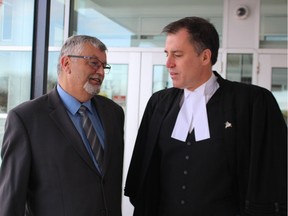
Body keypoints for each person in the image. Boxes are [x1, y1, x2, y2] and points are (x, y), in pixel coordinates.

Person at [124, 17, 287, 216]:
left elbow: (271, 174)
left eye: (177, 55)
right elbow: (143, 171)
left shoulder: (252, 102)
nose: (168, 63)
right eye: (167, 54)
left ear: (205, 57)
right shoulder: (159, 103)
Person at [0, 35, 125, 216]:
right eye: (94, 63)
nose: (101, 72)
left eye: (104, 66)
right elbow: (11, 197)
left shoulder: (113, 113)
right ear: (66, 64)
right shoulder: (26, 119)